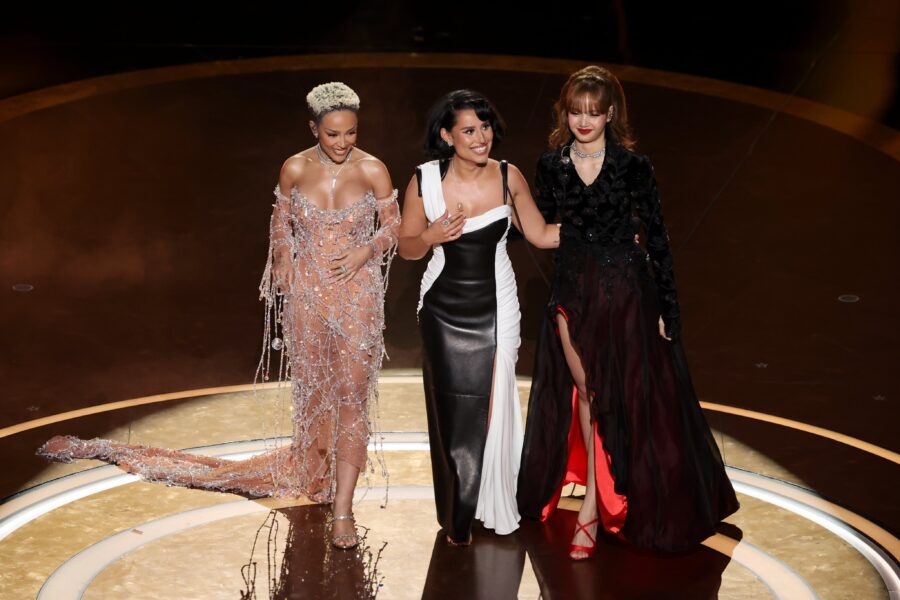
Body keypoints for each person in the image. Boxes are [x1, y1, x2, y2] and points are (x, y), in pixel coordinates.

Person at [37, 82, 400, 550]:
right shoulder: (293, 167)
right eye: (333, 134)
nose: (343, 142)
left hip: (357, 296)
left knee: (351, 395)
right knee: (313, 394)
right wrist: (284, 258)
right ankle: (316, 472)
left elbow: (394, 225)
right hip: (308, 296)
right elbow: (281, 222)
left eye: (351, 132)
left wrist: (366, 251)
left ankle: (343, 510)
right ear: (313, 128)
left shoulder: (373, 169)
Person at [516, 66, 739, 559]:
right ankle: (593, 505)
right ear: (564, 113)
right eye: (575, 111)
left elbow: (657, 237)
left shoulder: (633, 166)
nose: (583, 121)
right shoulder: (551, 166)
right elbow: (541, 227)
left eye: (593, 112)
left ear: (610, 114)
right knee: (587, 393)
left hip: (627, 295)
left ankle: (598, 502)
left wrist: (669, 308)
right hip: (572, 292)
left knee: (627, 398)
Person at [398, 90, 559, 546]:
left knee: (495, 396)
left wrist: (599, 230)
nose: (481, 137)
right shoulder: (424, 180)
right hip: (442, 306)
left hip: (499, 304)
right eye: (469, 130)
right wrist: (430, 235)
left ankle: (494, 500)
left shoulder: (509, 176)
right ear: (447, 136)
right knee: (453, 410)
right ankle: (458, 510)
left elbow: (542, 235)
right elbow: (407, 247)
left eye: (485, 127)